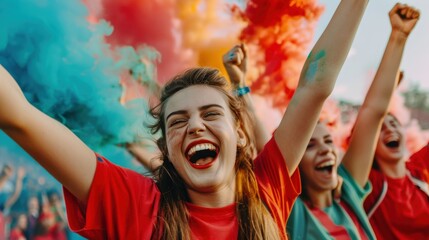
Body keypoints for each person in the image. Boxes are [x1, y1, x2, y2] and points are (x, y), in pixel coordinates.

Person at [0, 0, 368, 238]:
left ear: (240, 134)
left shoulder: (267, 187)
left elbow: (314, 85)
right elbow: (19, 117)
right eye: (177, 121)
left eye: (210, 114)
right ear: (166, 150)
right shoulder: (135, 202)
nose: (194, 126)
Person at [287, 3, 420, 239]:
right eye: (310, 145)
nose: (326, 150)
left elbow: (372, 113)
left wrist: (398, 37)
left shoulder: (348, 192)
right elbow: (314, 86)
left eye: (328, 141)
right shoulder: (290, 211)